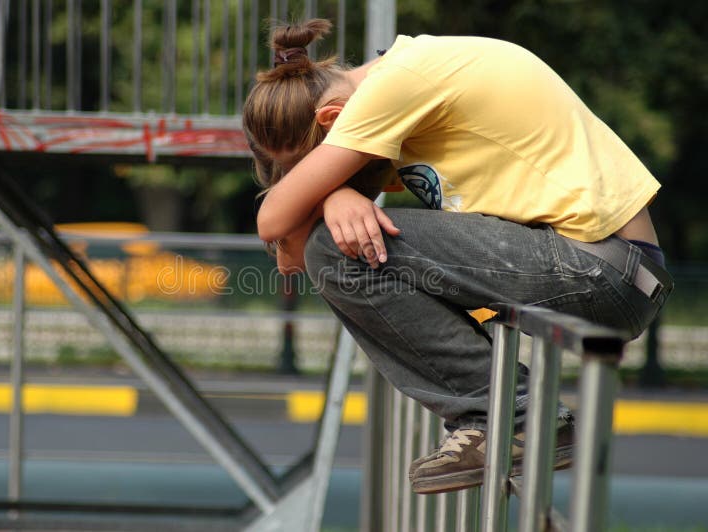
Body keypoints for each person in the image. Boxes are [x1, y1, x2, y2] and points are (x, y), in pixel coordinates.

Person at [243, 19, 673, 494]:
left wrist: (320, 199)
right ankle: (501, 416)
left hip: (603, 266)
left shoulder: (397, 84)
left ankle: (516, 415)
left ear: (333, 120)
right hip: (607, 267)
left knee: (336, 252)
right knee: (342, 244)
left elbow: (280, 229)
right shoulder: (410, 84)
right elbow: (298, 240)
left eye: (309, 167)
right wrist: (332, 197)